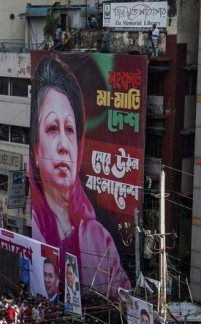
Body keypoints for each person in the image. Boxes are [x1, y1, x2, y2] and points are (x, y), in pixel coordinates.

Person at [29, 54, 131, 299]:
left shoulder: (99, 238)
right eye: (53, 129)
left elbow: (125, 303)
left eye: (70, 130)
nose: (64, 145)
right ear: (35, 150)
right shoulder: (34, 226)